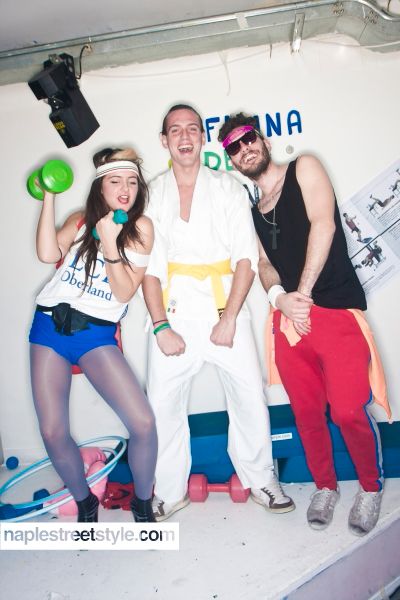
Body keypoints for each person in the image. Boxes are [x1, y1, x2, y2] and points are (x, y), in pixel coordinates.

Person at [218, 113, 390, 536]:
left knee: (347, 410)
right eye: (234, 147)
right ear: (231, 160)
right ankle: (325, 487)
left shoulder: (304, 167)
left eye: (247, 139)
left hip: (333, 310)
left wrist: (304, 295)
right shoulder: (251, 210)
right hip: (289, 323)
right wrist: (279, 298)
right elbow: (263, 263)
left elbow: (324, 224)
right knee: (307, 413)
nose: (244, 149)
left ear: (264, 140)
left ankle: (370, 487)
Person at [142, 104, 295, 521]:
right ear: (165, 140)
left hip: (223, 305)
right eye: (176, 130)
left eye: (192, 128)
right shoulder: (152, 194)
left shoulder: (227, 187)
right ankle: (169, 490)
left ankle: (261, 478)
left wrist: (229, 319)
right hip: (172, 311)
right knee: (162, 403)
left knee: (249, 395)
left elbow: (246, 258)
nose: (185, 136)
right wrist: (160, 326)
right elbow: (149, 268)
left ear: (202, 138)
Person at [29, 147, 157, 523]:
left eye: (132, 182)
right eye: (115, 181)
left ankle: (143, 503)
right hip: (49, 327)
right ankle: (84, 501)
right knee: (52, 431)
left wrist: (110, 243)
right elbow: (46, 253)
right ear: (101, 186)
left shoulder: (141, 228)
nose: (125, 189)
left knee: (143, 423)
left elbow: (124, 292)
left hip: (95, 335)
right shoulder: (80, 220)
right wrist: (49, 195)